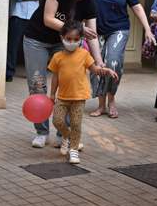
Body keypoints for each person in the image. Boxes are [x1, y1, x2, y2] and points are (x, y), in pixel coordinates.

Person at [23, 0, 106, 148]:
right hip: (37, 39)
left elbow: (92, 36)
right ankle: (42, 132)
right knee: (38, 85)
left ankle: (64, 134)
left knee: (68, 85)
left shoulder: (90, 3)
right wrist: (78, 29)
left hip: (64, 42)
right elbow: (48, 19)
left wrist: (99, 60)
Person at [90, 0, 156, 118]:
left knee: (113, 62)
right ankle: (101, 105)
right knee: (98, 65)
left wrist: (147, 29)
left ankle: (111, 100)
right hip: (96, 29)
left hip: (119, 28)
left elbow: (137, 6)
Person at [50, 20, 118, 164]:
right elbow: (55, 77)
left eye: (76, 39)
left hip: (79, 97)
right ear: (62, 37)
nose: (72, 42)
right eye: (68, 39)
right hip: (62, 97)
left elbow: (94, 69)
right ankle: (67, 137)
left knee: (76, 124)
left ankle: (73, 150)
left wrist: (105, 70)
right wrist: (51, 94)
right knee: (57, 121)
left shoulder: (84, 55)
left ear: (81, 39)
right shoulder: (57, 57)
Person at [6, 0, 44, 82]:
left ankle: (31, 73)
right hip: (18, 16)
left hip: (32, 17)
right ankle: (9, 72)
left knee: (32, 46)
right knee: (13, 45)